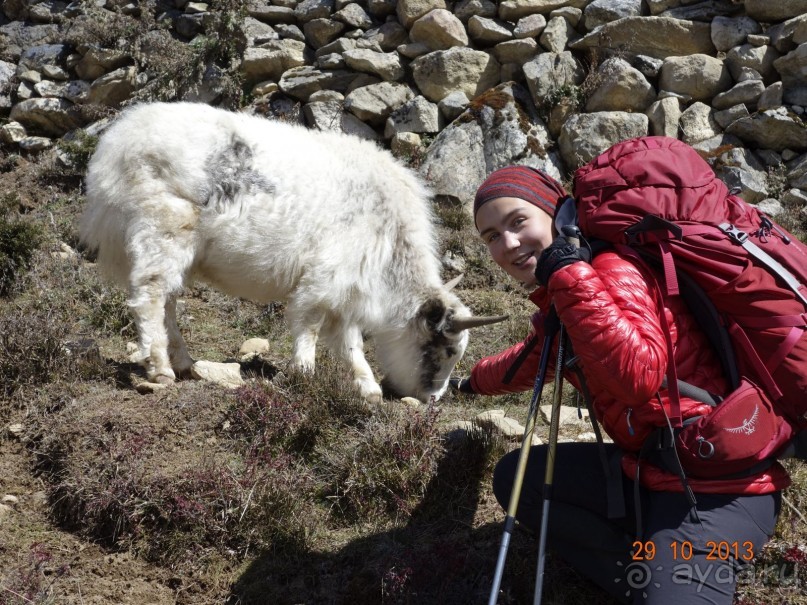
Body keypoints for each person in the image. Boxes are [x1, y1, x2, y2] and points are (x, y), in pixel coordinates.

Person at [454, 165, 789, 604]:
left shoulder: (610, 269)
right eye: (492, 237)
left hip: (717, 487)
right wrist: (465, 384)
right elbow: (527, 361)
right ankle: (645, 576)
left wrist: (570, 277)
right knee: (518, 479)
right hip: (651, 470)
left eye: (518, 221)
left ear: (559, 214)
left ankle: (666, 579)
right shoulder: (568, 290)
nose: (509, 243)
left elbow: (636, 379)